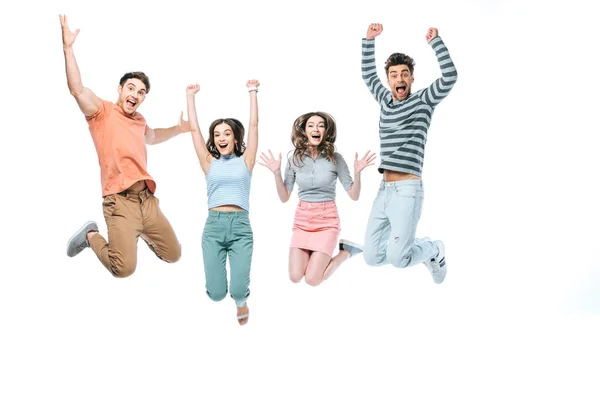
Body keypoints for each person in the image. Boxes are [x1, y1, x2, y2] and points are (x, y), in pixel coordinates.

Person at [61, 15, 187, 277]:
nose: (135, 95)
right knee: (123, 269)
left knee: (174, 255)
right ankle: (91, 234)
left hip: (146, 200)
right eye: (131, 88)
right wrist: (68, 49)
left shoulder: (140, 121)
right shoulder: (101, 112)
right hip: (119, 202)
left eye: (141, 92)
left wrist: (180, 129)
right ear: (120, 89)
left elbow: (153, 137)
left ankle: (134, 234)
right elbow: (77, 88)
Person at [361, 23, 458, 283]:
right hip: (384, 190)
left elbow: (449, 77)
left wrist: (436, 42)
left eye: (405, 74)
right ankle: (404, 246)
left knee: (397, 258)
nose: (400, 79)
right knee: (371, 257)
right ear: (389, 79)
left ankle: (433, 249)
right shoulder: (384, 100)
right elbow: (369, 76)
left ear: (412, 78)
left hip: (408, 189)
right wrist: (369, 40)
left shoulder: (424, 100)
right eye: (394, 75)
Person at [259, 112, 376, 286]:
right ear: (304, 131)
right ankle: (331, 254)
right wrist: (276, 173)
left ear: (326, 131)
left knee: (313, 280)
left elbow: (354, 195)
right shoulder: (294, 159)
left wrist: (358, 173)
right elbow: (284, 197)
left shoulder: (335, 159)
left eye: (320, 125)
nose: (316, 129)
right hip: (302, 220)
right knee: (295, 276)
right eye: (311, 125)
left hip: (326, 220)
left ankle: (346, 252)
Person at [185, 81, 259, 326]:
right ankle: (226, 297)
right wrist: (190, 96)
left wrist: (252, 92)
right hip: (213, 228)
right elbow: (194, 130)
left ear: (236, 138)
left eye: (227, 133)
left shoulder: (246, 160)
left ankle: (241, 302)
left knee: (238, 291)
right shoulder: (208, 162)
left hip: (240, 228)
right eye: (217, 134)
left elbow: (254, 125)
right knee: (216, 295)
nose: (221, 138)